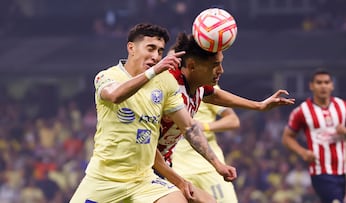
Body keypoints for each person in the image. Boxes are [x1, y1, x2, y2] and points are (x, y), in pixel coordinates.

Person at [70, 23, 235, 203]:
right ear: (131, 47)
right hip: (103, 179)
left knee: (205, 201)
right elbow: (115, 95)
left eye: (160, 51)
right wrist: (154, 70)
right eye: (151, 49)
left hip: (144, 180)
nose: (156, 56)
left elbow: (189, 127)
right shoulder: (107, 76)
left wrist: (217, 165)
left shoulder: (165, 83)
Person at [156, 32, 295, 199]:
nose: (221, 70)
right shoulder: (170, 86)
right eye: (215, 65)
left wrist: (259, 105)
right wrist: (217, 165)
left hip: (164, 163)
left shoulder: (197, 84)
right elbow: (190, 129)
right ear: (192, 66)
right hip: (145, 165)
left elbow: (214, 94)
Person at [282, 69, 346, 203]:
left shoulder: (343, 106)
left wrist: (345, 131)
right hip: (320, 171)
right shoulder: (302, 111)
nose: (323, 86)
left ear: (332, 85)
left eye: (326, 82)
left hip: (341, 171)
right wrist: (302, 152)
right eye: (319, 83)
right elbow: (287, 137)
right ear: (311, 86)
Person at [172, 93, 241, 203]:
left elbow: (233, 120)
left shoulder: (205, 88)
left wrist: (204, 126)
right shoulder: (167, 87)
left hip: (210, 169)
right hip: (179, 171)